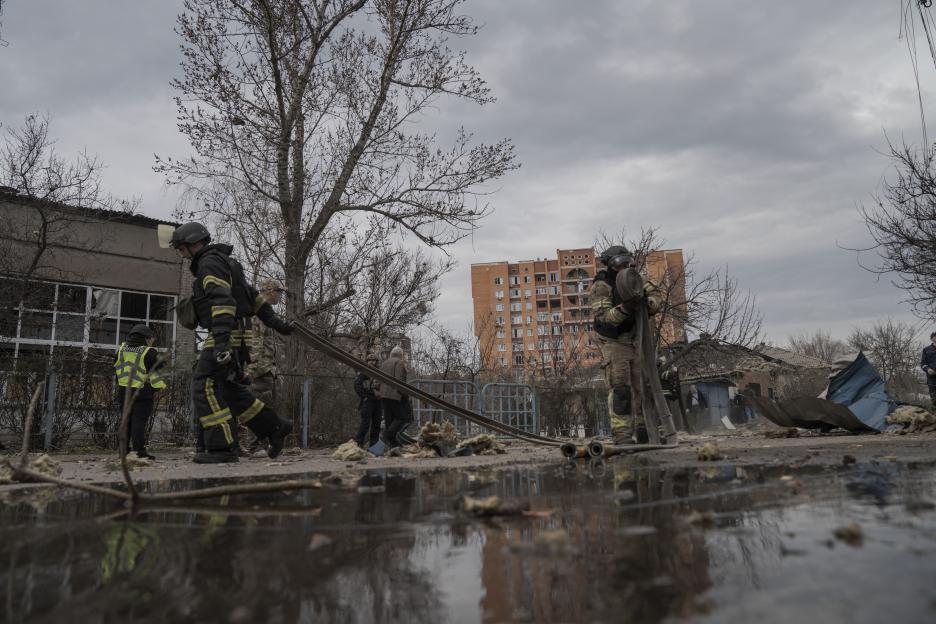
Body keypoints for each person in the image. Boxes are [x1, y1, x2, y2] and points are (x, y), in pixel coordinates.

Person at [169, 222, 295, 463]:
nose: (181, 254)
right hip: (234, 333)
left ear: (195, 244)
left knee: (203, 383)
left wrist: (222, 344)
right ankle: (274, 427)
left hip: (225, 333)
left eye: (182, 249)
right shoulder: (228, 263)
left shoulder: (209, 264)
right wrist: (278, 323)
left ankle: (222, 448)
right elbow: (253, 298)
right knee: (227, 388)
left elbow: (222, 302)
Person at [589, 245, 662, 445]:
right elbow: (605, 318)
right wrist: (626, 308)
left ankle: (644, 429)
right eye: (618, 263)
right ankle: (622, 434)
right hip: (614, 341)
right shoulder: (601, 286)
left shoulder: (635, 279)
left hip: (635, 339)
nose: (623, 266)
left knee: (642, 385)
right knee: (621, 387)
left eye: (626, 262)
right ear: (610, 265)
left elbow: (655, 295)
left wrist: (649, 304)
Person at [242, 278, 286, 455]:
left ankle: (258, 445)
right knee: (259, 409)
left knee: (261, 409)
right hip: (260, 371)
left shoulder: (263, 312)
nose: (280, 296)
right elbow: (256, 344)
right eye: (279, 292)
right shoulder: (259, 313)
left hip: (266, 369)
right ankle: (255, 446)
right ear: (270, 292)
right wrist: (251, 371)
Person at [113, 324, 165, 460]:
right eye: (151, 338)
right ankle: (139, 451)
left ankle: (123, 451)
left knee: (126, 422)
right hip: (142, 393)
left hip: (124, 392)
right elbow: (160, 365)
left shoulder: (121, 349)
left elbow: (116, 368)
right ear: (146, 338)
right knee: (138, 423)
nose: (152, 341)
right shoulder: (148, 351)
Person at [375, 346, 409, 449]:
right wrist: (404, 395)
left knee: (389, 422)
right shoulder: (399, 363)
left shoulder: (385, 363)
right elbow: (399, 381)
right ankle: (386, 436)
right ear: (401, 355)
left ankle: (392, 446)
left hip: (383, 395)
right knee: (401, 418)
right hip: (394, 394)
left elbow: (379, 379)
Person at [353, 353, 383, 449]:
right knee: (365, 424)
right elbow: (357, 385)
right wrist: (364, 396)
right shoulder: (363, 372)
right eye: (370, 360)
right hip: (368, 401)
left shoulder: (379, 373)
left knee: (376, 424)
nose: (372, 362)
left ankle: (373, 445)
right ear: (367, 361)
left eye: (374, 360)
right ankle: (359, 443)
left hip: (378, 401)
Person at [920, 331, 936, 407]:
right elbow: (923, 364)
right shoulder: (926, 349)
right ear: (932, 338)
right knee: (934, 397)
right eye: (935, 336)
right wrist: (928, 369)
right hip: (932, 378)